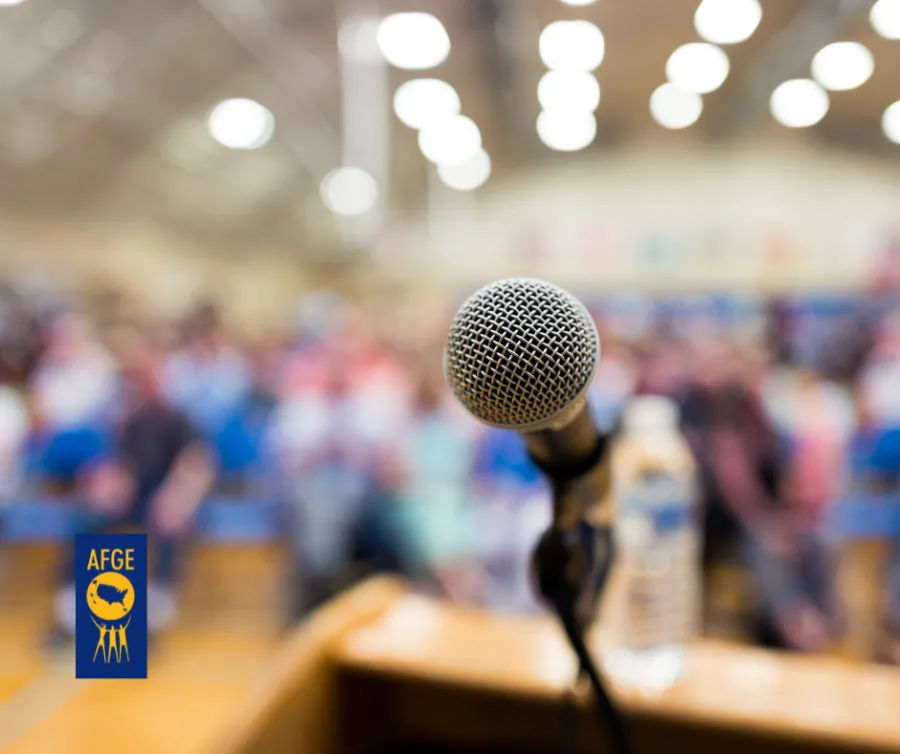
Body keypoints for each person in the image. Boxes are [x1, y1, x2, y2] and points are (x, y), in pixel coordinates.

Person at [47, 330, 214, 647]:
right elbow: (112, 464)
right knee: (85, 522)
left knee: (170, 531)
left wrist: (177, 497)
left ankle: (154, 621)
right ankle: (69, 619)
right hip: (132, 497)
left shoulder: (180, 419)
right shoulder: (125, 419)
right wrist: (105, 485)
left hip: (169, 499)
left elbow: (198, 461)